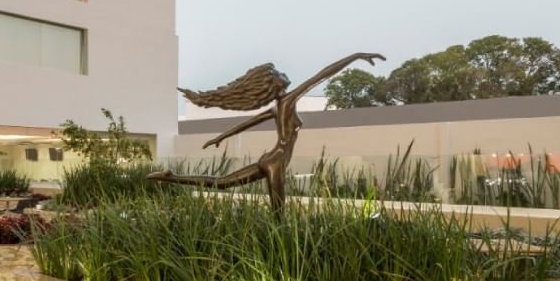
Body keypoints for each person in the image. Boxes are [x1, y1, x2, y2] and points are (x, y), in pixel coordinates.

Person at [149, 53, 384, 209]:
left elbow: (247, 123)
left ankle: (172, 178)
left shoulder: (277, 108)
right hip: (277, 161)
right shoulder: (288, 101)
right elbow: (322, 75)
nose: (284, 74)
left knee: (223, 182)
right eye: (278, 74)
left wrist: (219, 138)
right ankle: (279, 248)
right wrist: (357, 56)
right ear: (274, 85)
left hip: (268, 159)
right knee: (278, 212)